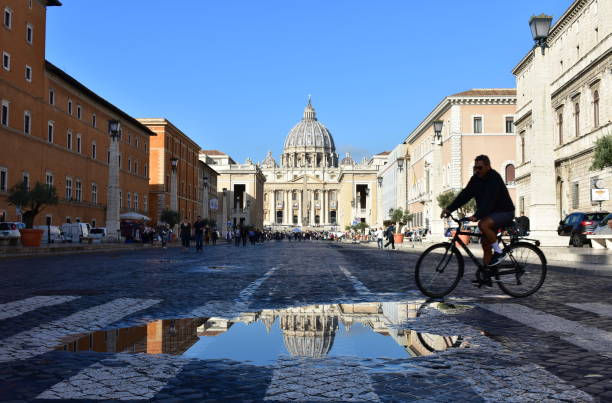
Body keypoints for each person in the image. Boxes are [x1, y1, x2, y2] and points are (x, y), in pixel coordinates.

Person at [441, 155, 515, 269]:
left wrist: (477, 216)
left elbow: (489, 200)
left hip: (505, 212)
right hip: (491, 214)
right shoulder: (475, 179)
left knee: (482, 224)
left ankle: (499, 252)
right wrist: (449, 208)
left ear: (488, 167)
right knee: (485, 244)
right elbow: (464, 195)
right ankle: (486, 274)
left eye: (480, 168)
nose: (477, 170)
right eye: (475, 168)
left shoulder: (494, 178)